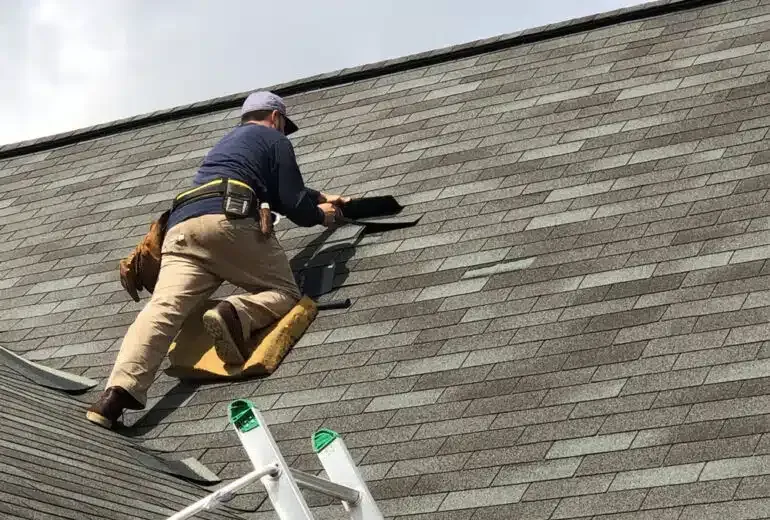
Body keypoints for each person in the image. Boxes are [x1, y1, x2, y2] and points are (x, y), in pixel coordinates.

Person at [86, 91, 349, 429]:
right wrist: (321, 215)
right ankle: (234, 312)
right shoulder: (274, 138)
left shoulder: (227, 146)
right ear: (275, 118)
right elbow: (293, 203)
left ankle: (115, 396)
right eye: (283, 126)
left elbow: (273, 188)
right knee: (285, 293)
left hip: (182, 229)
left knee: (163, 311)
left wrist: (321, 196)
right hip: (229, 221)